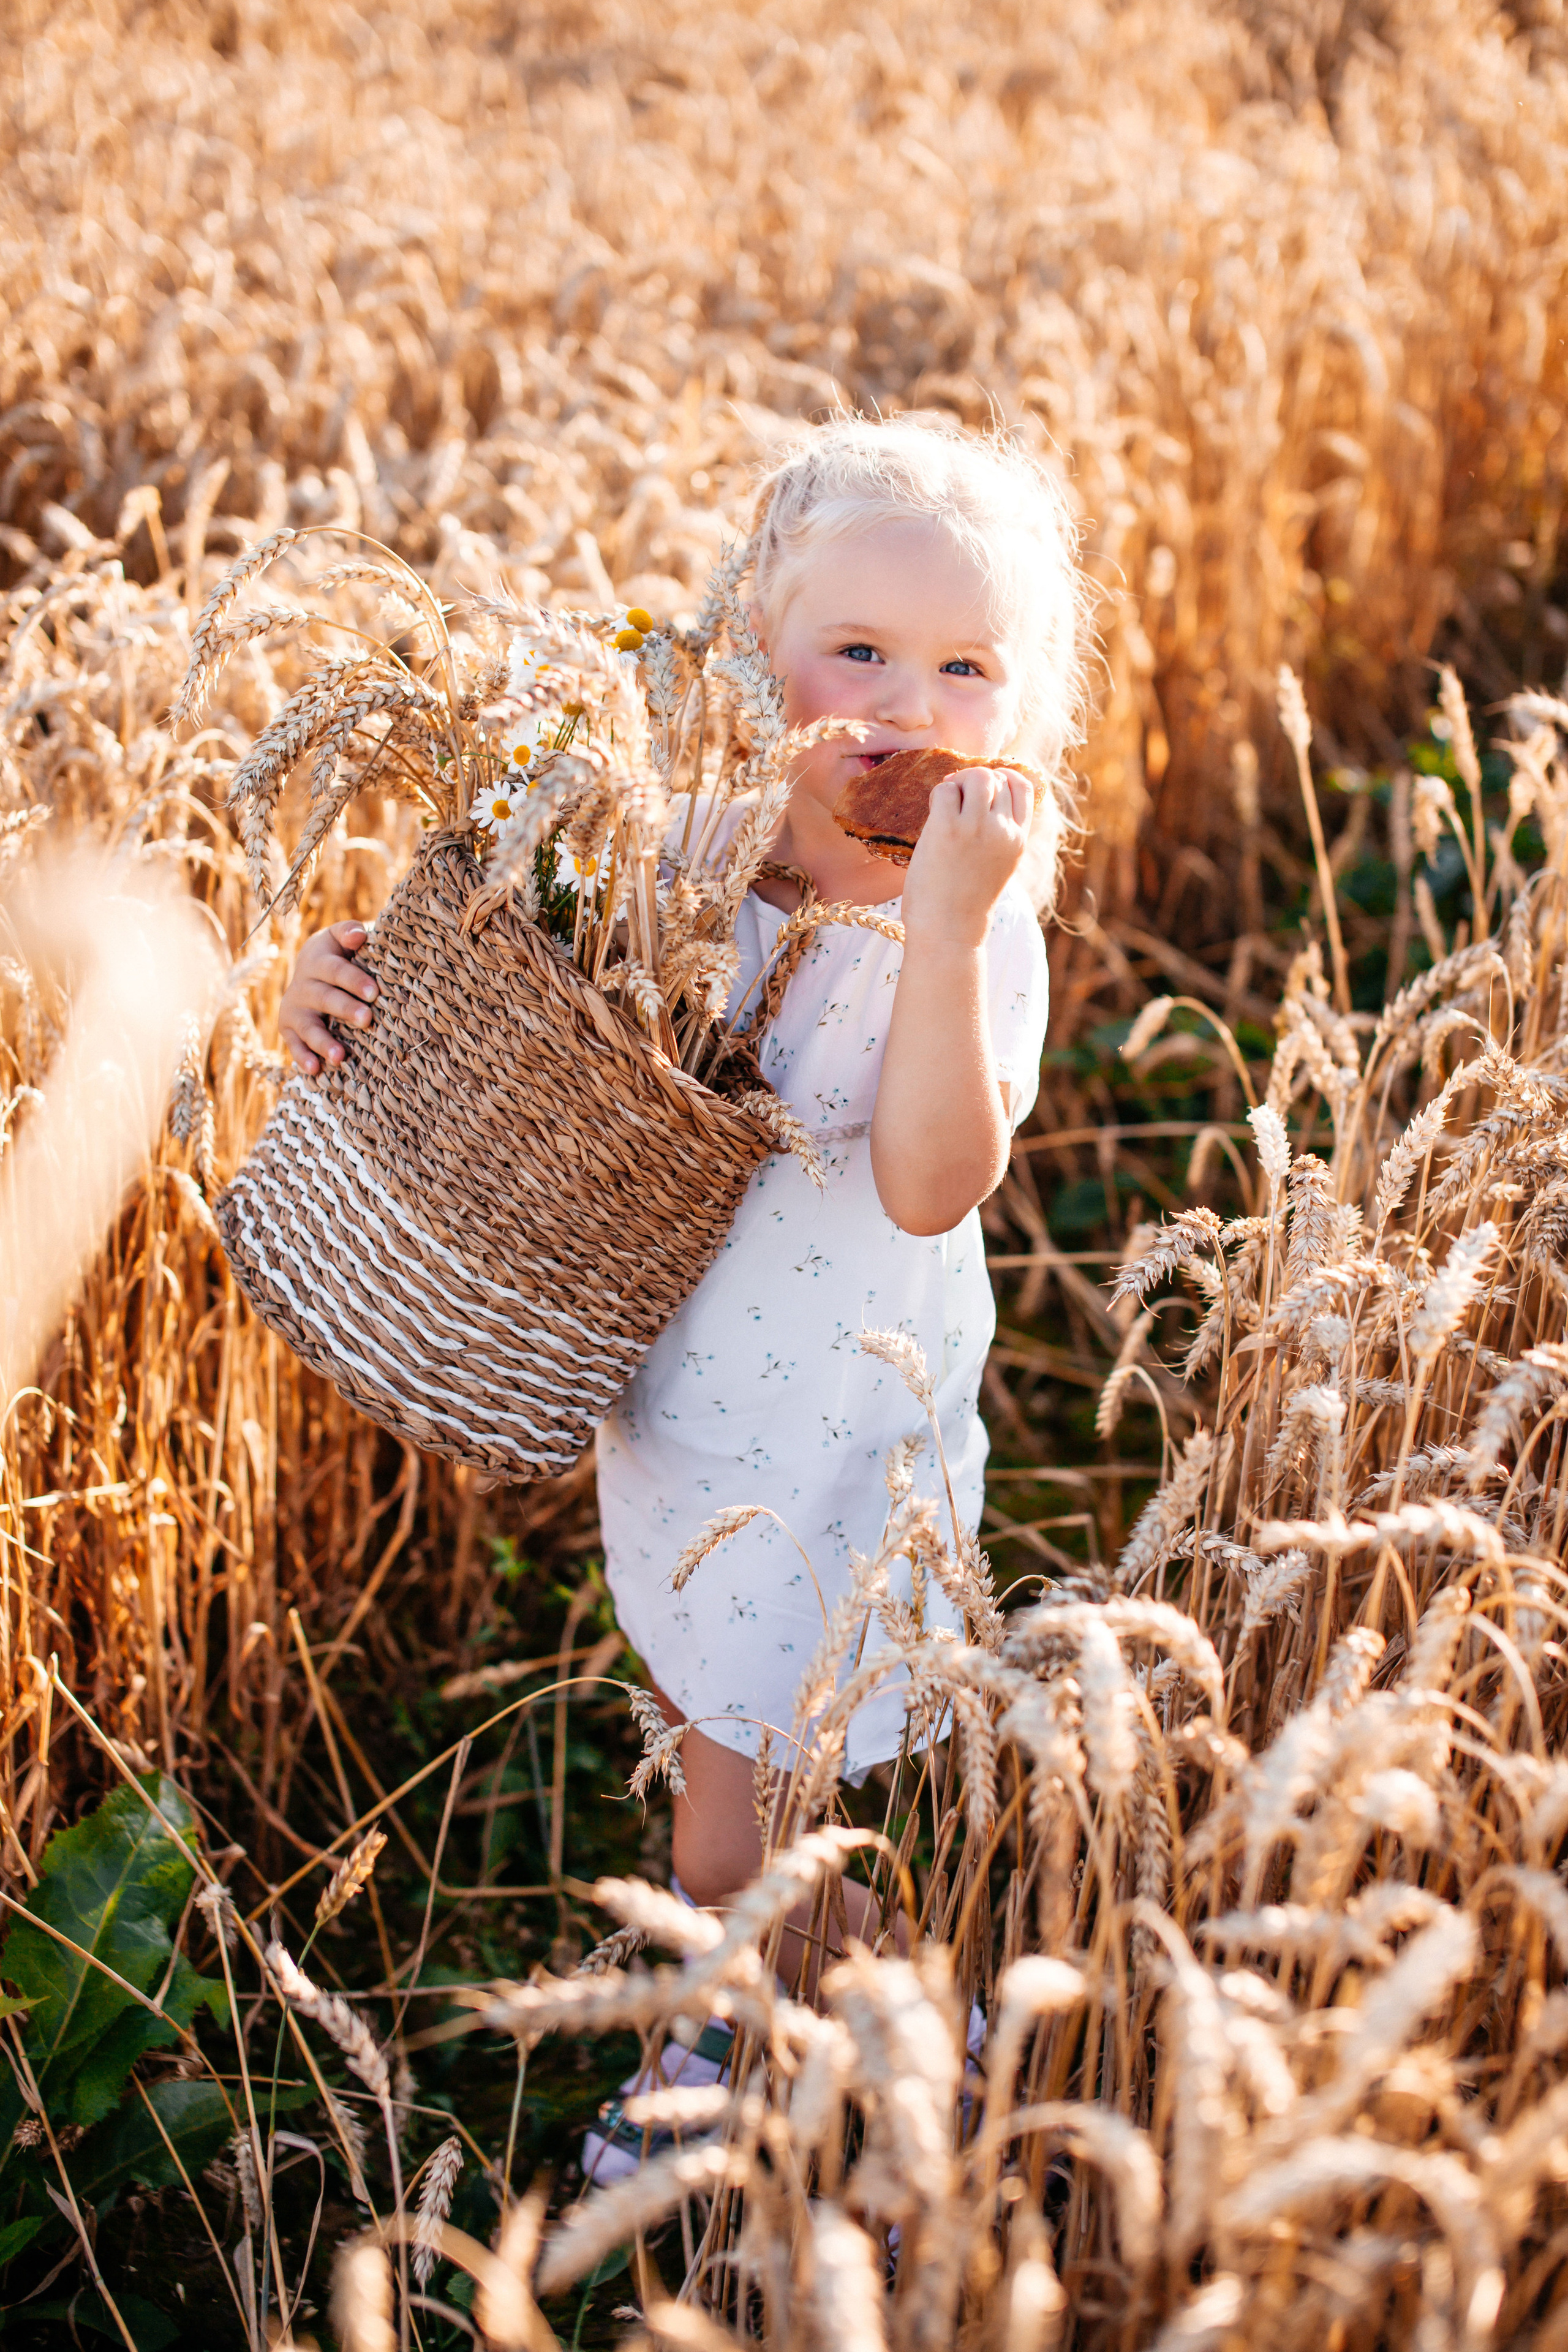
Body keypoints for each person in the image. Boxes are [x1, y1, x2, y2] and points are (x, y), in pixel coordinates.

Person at [279, 415, 1086, 2168]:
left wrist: (945, 928)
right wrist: (334, 983)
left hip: (839, 1449)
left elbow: (933, 1179)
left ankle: (917, 2049)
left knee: (739, 1840)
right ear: (761, 655)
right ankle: (763, 2020)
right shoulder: (689, 846)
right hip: (688, 1413)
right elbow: (507, 1004)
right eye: (855, 650)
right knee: (707, 1730)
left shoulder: (979, 925)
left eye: (963, 668)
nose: (903, 699)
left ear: (1018, 715)